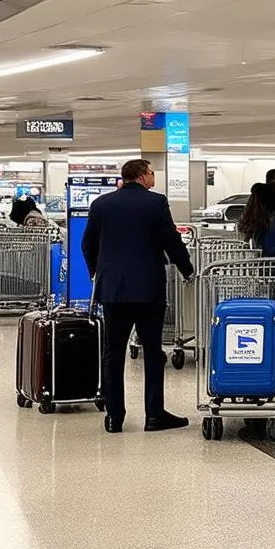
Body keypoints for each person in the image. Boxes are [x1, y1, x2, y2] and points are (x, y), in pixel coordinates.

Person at [81, 158, 194, 434]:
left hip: (114, 291)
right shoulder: (156, 203)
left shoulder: (101, 205)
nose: (154, 176)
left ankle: (114, 417)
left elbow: (87, 244)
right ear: (143, 176)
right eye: (152, 172)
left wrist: (97, 272)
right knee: (153, 353)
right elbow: (171, 240)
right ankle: (154, 415)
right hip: (148, 290)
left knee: (113, 353)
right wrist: (187, 269)